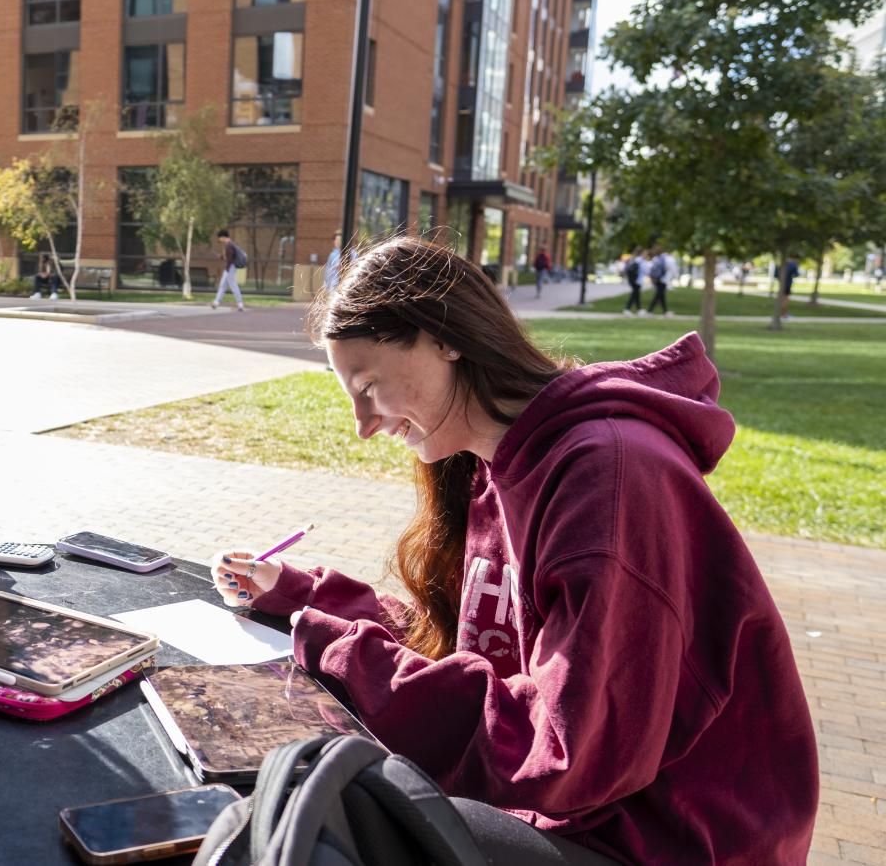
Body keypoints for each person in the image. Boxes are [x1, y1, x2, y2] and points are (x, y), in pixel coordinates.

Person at [209, 236, 817, 865]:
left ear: (444, 338)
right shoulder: (489, 464)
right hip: (584, 818)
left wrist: (343, 656)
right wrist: (303, 596)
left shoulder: (608, 477)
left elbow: (566, 753)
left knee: (341, 805)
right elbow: (473, 647)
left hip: (658, 841)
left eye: (368, 387)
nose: (364, 426)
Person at [211, 229, 245, 311]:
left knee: (233, 286)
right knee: (223, 286)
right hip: (230, 268)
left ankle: (240, 304)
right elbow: (228, 258)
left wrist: (228, 270)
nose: (219, 240)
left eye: (219, 238)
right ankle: (216, 302)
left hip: (230, 268)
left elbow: (229, 260)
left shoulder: (229, 246)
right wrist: (221, 257)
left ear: (223, 237)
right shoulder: (230, 244)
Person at [646, 248, 674, 316]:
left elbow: (651, 269)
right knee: (658, 295)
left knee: (661, 295)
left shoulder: (656, 259)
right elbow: (671, 269)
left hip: (657, 279)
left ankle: (665, 311)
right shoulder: (666, 258)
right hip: (662, 279)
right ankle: (650, 310)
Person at [621, 251, 644, 315]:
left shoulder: (634, 260)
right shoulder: (638, 261)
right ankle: (627, 309)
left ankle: (639, 309)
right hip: (636, 280)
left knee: (636, 294)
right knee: (634, 294)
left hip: (635, 280)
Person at [323, 231, 346, 295]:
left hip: (345, 283)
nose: (337, 241)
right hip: (334, 284)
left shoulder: (351, 253)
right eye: (336, 240)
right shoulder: (332, 255)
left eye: (339, 240)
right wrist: (326, 285)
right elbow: (327, 270)